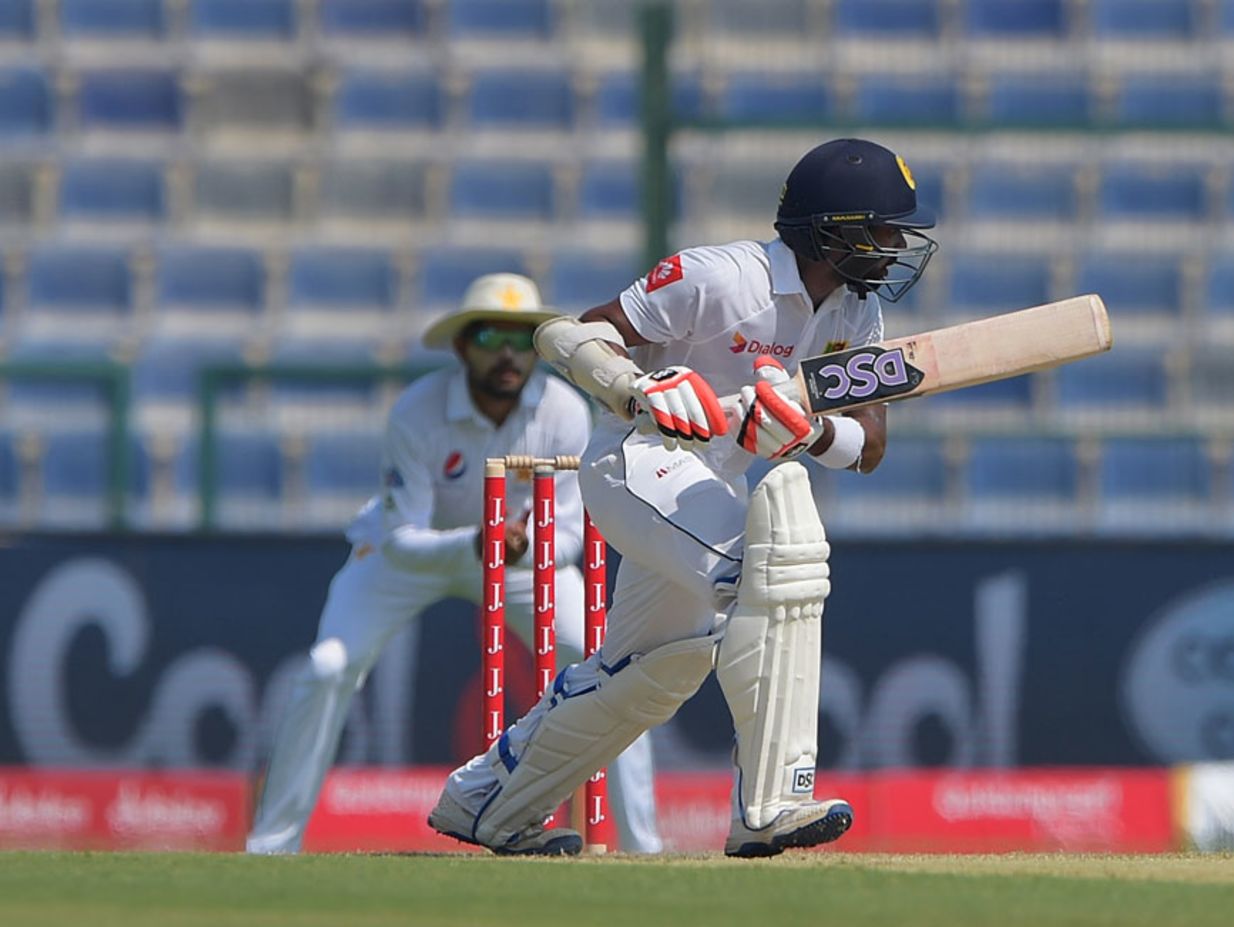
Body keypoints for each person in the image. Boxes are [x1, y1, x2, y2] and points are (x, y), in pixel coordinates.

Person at [428, 138, 937, 857]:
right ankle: (770, 805)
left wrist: (808, 431)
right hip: (636, 461)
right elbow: (571, 334)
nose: (893, 247)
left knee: (649, 676)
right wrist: (638, 386)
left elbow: (869, 444)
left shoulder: (854, 315)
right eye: (882, 230)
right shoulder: (722, 276)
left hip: (709, 484)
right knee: (773, 566)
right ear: (831, 228)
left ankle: (485, 801)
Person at [247, 273, 664, 855]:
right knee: (326, 667)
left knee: (610, 669)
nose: (510, 353)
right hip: (413, 558)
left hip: (519, 560)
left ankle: (643, 847)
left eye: (524, 338)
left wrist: (523, 549)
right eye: (493, 336)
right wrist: (477, 542)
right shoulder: (418, 412)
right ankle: (273, 845)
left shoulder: (565, 410)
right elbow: (399, 539)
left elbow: (569, 538)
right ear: (465, 345)